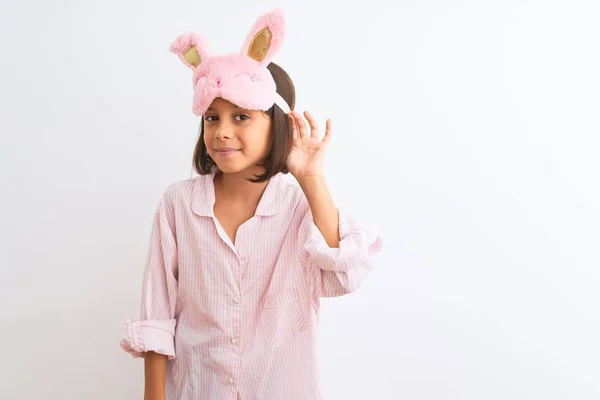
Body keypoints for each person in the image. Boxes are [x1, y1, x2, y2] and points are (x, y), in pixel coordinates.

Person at [120, 9, 383, 400]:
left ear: (276, 123)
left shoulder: (298, 205)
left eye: (241, 116)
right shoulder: (178, 204)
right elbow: (158, 314)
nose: (222, 131)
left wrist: (311, 179)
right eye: (212, 118)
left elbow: (342, 274)